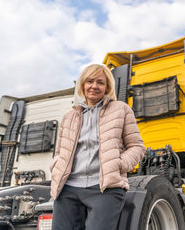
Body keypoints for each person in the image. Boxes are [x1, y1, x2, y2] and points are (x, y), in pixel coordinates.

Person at [49, 64, 145, 230]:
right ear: (82, 85)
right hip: (68, 189)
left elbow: (137, 147)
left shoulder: (121, 110)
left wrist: (118, 164)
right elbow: (60, 152)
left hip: (105, 189)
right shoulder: (69, 116)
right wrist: (56, 165)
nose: (94, 86)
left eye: (100, 82)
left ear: (107, 87)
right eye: (90, 81)